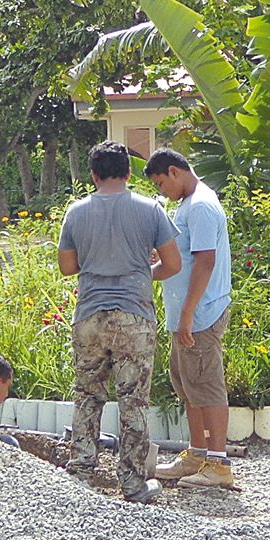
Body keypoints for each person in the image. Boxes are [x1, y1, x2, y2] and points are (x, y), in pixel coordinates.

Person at [57, 141, 183, 504]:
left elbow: (67, 267)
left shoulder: (75, 212)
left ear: (93, 175)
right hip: (134, 315)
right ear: (129, 172)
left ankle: (81, 473)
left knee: (87, 396)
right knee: (134, 402)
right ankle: (132, 483)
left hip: (90, 315)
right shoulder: (151, 209)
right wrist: (142, 272)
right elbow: (173, 264)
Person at [146, 148, 235, 489]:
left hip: (199, 314)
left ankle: (218, 464)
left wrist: (187, 315)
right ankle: (198, 453)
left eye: (161, 183)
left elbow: (205, 262)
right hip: (187, 314)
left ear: (175, 171)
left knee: (207, 384)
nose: (161, 191)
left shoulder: (200, 206)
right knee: (187, 384)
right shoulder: (188, 203)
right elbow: (181, 258)